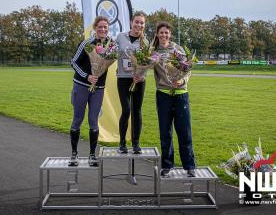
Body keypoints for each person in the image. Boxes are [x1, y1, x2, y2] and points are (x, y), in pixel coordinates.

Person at [153, 21, 196, 177]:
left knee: (184, 132)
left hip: (180, 95)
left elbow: (188, 69)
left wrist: (182, 81)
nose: (164, 35)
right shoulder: (153, 51)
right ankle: (167, 165)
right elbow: (144, 67)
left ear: (170, 34)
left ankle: (189, 165)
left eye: (166, 32)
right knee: (165, 133)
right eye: (161, 32)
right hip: (163, 95)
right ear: (157, 34)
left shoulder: (178, 49)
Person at [68, 16, 110, 167]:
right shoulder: (86, 43)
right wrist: (87, 76)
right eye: (100, 27)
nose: (103, 29)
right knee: (78, 119)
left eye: (105, 27)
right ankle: (74, 154)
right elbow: (73, 62)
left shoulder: (111, 46)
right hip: (81, 86)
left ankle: (92, 155)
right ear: (95, 27)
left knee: (93, 120)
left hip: (98, 89)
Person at [116, 11, 148, 154]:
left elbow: (147, 62)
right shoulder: (120, 37)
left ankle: (136, 143)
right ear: (131, 22)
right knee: (126, 109)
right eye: (137, 22)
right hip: (123, 79)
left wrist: (140, 75)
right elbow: (111, 54)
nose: (139, 25)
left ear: (144, 25)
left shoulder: (145, 42)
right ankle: (122, 143)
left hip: (139, 80)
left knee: (137, 110)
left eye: (142, 23)